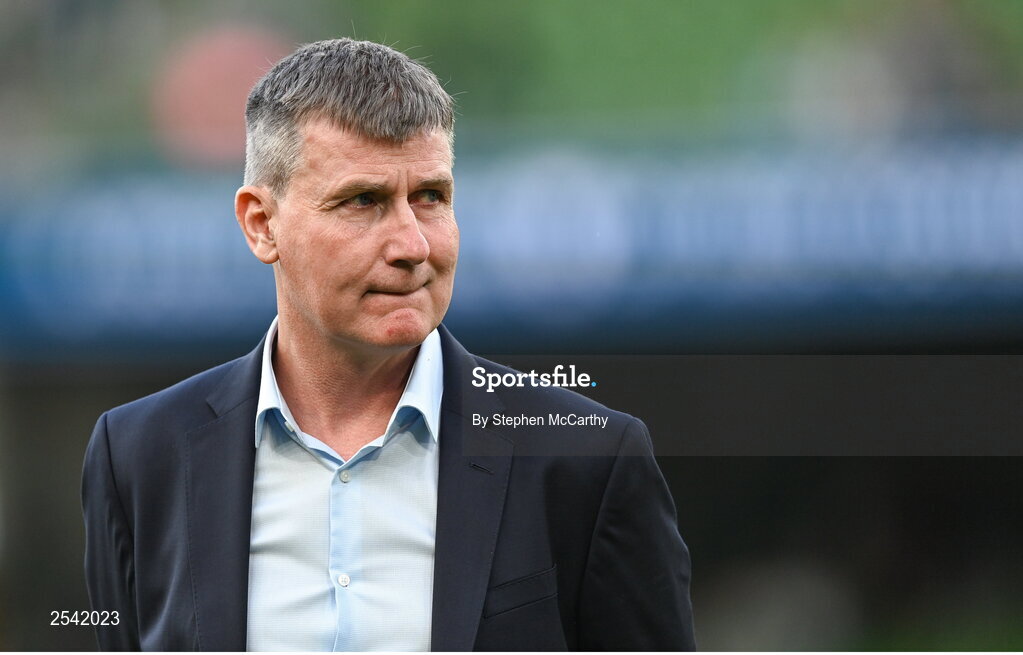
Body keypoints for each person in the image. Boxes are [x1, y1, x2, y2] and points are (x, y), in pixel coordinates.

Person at [81, 38, 695, 651]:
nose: (412, 245)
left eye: (430, 197)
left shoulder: (587, 456)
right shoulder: (137, 455)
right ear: (261, 224)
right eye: (363, 201)